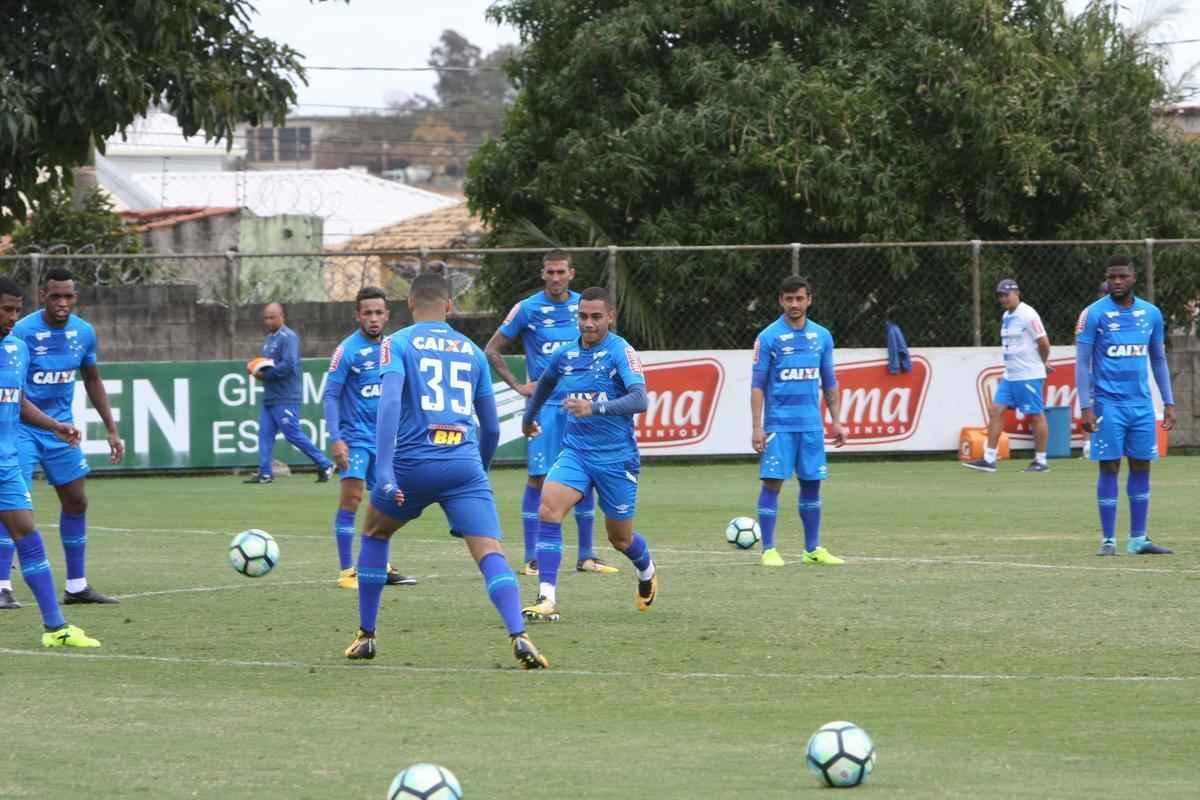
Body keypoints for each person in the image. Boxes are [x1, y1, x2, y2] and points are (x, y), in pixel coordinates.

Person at [343, 273, 548, 669]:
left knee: (374, 532)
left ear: (409, 305)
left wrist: (384, 470)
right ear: (450, 306)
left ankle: (367, 636)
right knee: (491, 553)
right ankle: (519, 635)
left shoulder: (396, 343)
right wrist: (479, 473)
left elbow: (387, 406)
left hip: (412, 466)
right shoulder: (471, 351)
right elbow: (489, 427)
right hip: (464, 466)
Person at [520, 286, 659, 623]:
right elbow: (545, 383)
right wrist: (529, 417)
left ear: (610, 316)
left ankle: (647, 572)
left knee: (620, 539)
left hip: (616, 458)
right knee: (549, 510)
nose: (588, 323)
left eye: (596, 317)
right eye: (583, 316)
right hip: (576, 452)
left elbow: (640, 399)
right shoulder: (567, 355)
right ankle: (546, 598)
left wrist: (594, 407)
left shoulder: (620, 352)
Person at [484, 250, 614, 576]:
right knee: (539, 478)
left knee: (587, 474)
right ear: (542, 274)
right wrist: (518, 386)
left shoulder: (584, 308)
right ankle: (532, 557)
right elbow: (492, 349)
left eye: (561, 272)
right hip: (544, 407)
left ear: (571, 273)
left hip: (579, 404)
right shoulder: (527, 308)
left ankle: (586, 555)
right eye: (550, 272)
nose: (555, 278)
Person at [0, 267, 122, 610]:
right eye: (56, 296)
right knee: (13, 505)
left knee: (76, 500)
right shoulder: (21, 332)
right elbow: (15, 393)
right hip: (20, 430)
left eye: (69, 296)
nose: (62, 303)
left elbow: (93, 380)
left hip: (59, 428)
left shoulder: (84, 333)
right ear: (43, 296)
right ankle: (2, 584)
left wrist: (111, 428)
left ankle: (77, 586)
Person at [1076, 255, 1176, 556]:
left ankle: (1138, 539)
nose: (1117, 282)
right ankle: (1108, 540)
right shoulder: (1093, 314)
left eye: (1122, 276)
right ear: (1107, 280)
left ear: (1133, 277)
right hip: (1108, 404)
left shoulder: (1152, 314)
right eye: (1112, 277)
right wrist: (1086, 406)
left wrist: (1168, 401)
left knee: (1142, 464)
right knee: (1109, 466)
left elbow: (1158, 359)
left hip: (1142, 405)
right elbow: (1082, 361)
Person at [321, 287, 415, 589]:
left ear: (387, 315)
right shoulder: (346, 350)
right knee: (352, 498)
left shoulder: (394, 347)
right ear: (357, 316)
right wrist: (336, 439)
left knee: (386, 503)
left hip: (386, 441)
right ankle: (347, 570)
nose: (374, 319)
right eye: (367, 313)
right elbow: (331, 395)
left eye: (379, 313)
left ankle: (379, 565)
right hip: (356, 438)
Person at [750, 276, 846, 568]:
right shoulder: (768, 337)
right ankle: (769, 549)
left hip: (811, 425)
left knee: (812, 484)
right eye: (789, 299)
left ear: (809, 300)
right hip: (779, 425)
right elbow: (757, 385)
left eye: (799, 298)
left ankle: (812, 549)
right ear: (781, 301)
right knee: (773, 483)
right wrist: (757, 427)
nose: (794, 304)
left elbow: (830, 381)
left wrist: (837, 420)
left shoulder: (822, 336)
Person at [963, 278, 1053, 474]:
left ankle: (1041, 461)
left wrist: (1042, 363)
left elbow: (1044, 342)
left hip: (1028, 375)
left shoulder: (1028, 314)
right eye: (1000, 295)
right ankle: (989, 459)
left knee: (1035, 415)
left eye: (1007, 294)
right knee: (996, 410)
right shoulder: (1006, 316)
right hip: (1010, 375)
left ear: (1017, 293)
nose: (1003, 299)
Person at [244, 302, 334, 484]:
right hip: (271, 396)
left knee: (292, 433)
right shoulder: (270, 339)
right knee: (264, 434)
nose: (268, 321)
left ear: (281, 316)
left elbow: (288, 365)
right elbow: (269, 363)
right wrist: (257, 367)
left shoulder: (289, 337)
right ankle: (265, 473)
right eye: (266, 318)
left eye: (272, 317)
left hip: (286, 396)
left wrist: (264, 374)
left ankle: (325, 463)